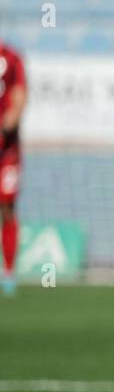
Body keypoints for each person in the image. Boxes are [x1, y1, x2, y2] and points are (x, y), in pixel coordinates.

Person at [0, 40, 27, 296]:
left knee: (7, 207)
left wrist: (6, 125)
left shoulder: (11, 58)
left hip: (6, 150)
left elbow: (18, 100)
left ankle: (8, 272)